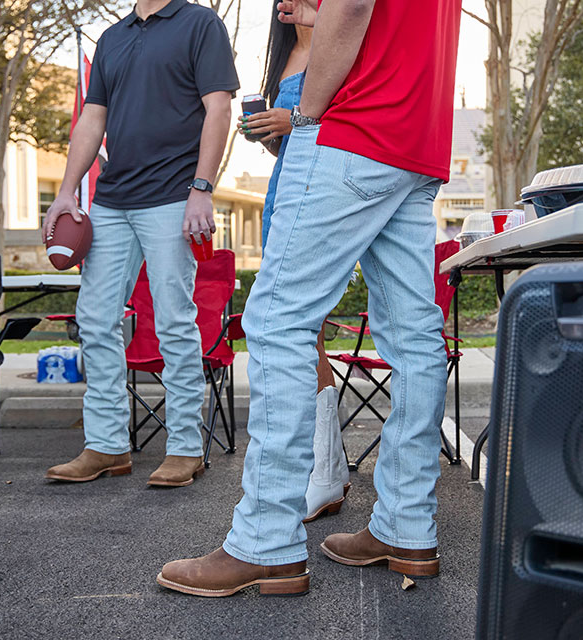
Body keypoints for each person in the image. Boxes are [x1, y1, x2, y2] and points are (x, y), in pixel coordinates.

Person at [157, 0, 462, 597]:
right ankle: (406, 526)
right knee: (414, 338)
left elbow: (351, 6)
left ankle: (266, 540)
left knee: (277, 321)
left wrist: (305, 113)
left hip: (353, 128)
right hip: (416, 138)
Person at [42, 0, 240, 487]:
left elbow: (219, 108)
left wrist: (202, 188)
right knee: (95, 319)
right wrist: (66, 192)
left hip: (173, 196)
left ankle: (186, 448)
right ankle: (106, 445)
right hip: (111, 200)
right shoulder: (111, 38)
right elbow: (92, 119)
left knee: (174, 320)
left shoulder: (200, 24)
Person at [237, 1, 349, 523]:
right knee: (300, 334)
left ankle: (322, 472)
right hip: (285, 191)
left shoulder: (341, 38)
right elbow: (290, 140)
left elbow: (346, 121)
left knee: (304, 330)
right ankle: (323, 468)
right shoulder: (282, 55)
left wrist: (299, 119)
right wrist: (271, 132)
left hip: (328, 192)